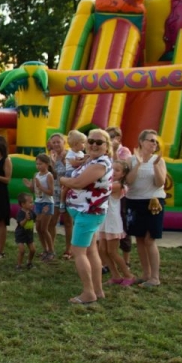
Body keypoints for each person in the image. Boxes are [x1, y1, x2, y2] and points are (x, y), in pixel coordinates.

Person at [59, 128, 113, 305]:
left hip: (88, 213)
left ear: (107, 146)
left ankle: (88, 293)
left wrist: (62, 180)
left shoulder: (101, 163)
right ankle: (97, 290)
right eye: (91, 141)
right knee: (91, 251)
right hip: (85, 212)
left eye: (99, 142)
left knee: (78, 252)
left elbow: (78, 182)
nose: (94, 145)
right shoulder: (91, 160)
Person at [125, 129, 167, 287]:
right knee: (140, 239)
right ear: (141, 142)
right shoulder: (130, 160)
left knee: (150, 239)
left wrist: (155, 166)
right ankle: (146, 274)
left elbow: (160, 183)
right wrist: (138, 164)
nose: (154, 143)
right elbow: (128, 181)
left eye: (155, 141)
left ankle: (155, 277)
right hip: (134, 201)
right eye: (151, 140)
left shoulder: (159, 160)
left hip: (153, 202)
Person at [99, 159, 134, 286]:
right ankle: (116, 276)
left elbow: (101, 188)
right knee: (102, 250)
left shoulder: (118, 185)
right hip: (104, 221)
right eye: (111, 169)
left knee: (112, 251)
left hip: (113, 222)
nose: (113, 172)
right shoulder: (110, 182)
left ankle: (128, 275)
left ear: (123, 174)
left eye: (117, 170)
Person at [23, 153, 54, 261]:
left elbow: (51, 192)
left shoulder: (49, 175)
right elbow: (34, 191)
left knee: (44, 229)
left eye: (40, 164)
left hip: (47, 204)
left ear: (47, 164)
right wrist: (30, 187)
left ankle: (51, 251)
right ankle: (45, 250)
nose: (38, 166)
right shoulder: (36, 175)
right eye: (37, 164)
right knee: (38, 228)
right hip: (38, 203)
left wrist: (40, 187)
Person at [48, 133, 74, 259]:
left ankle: (69, 250)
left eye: (58, 142)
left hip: (67, 193)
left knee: (68, 222)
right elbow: (50, 176)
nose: (56, 144)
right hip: (55, 193)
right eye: (53, 142)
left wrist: (63, 161)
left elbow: (73, 173)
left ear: (64, 142)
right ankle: (50, 249)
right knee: (52, 221)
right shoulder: (51, 157)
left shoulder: (70, 155)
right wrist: (52, 163)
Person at [13, 193, 36, 271]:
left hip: (29, 235)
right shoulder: (20, 213)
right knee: (22, 251)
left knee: (33, 250)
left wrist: (43, 212)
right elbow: (21, 224)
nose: (32, 204)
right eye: (30, 202)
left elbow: (36, 219)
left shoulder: (32, 212)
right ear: (23, 204)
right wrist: (26, 219)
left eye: (32, 202)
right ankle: (19, 265)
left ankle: (29, 262)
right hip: (20, 234)